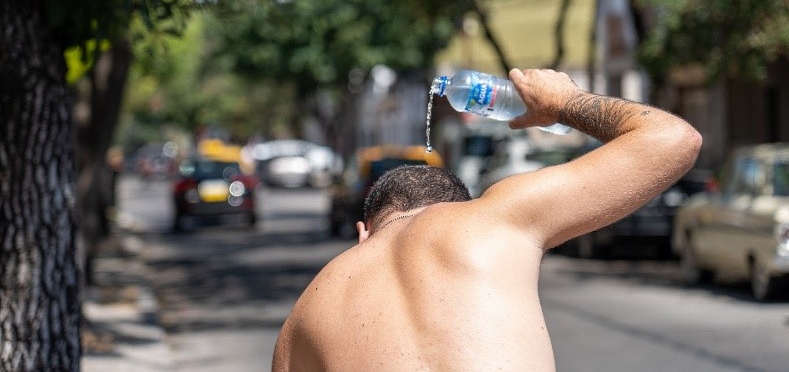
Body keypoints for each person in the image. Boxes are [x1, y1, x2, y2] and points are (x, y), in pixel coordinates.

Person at [272, 68, 702, 371]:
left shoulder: (304, 315)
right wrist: (565, 102)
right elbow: (673, 138)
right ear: (459, 207)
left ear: (363, 234)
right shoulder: (492, 219)